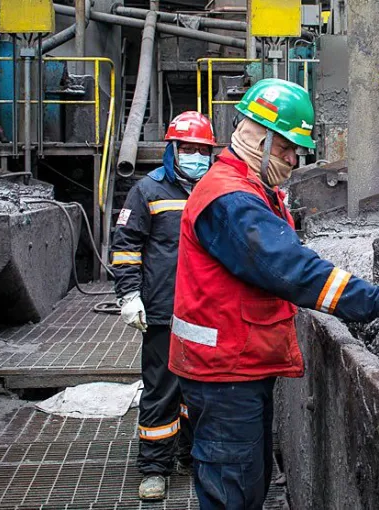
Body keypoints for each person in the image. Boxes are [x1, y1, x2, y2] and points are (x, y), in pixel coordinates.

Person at [169, 78, 379, 509]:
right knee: (233, 491)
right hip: (225, 373)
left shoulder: (249, 189)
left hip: (234, 366)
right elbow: (294, 271)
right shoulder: (232, 200)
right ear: (259, 136)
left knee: (246, 483)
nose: (293, 159)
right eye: (287, 148)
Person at [110, 111, 216, 501]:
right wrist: (128, 295)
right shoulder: (148, 191)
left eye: (202, 150)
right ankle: (155, 467)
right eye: (187, 148)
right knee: (162, 388)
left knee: (201, 388)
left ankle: (191, 453)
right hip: (163, 309)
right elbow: (125, 248)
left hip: (206, 310)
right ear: (172, 149)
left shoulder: (217, 190)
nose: (196, 156)